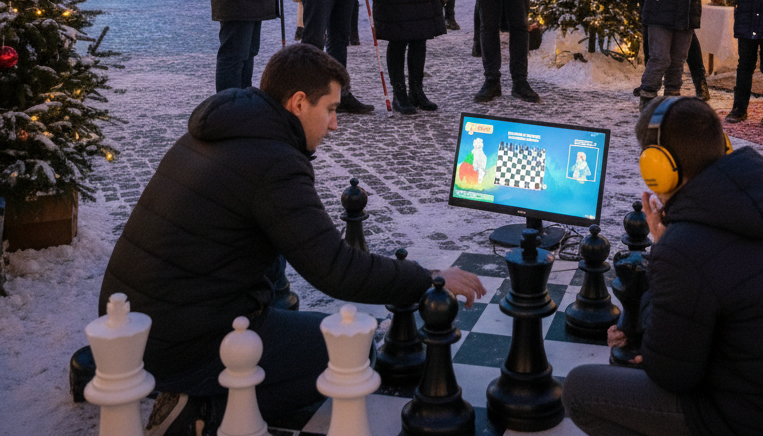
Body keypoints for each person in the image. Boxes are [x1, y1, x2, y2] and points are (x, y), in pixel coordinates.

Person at [99, 43, 485, 436]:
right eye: (331, 109)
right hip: (180, 342)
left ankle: (195, 390)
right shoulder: (274, 161)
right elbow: (335, 269)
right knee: (350, 352)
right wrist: (425, 279)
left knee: (286, 307)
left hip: (133, 325)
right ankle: (202, 411)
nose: (335, 124)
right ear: (299, 103)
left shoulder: (227, 129)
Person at [562, 96, 763, 436]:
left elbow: (669, 374)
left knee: (580, 390)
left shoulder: (684, 248)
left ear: (658, 167)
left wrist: (662, 253)